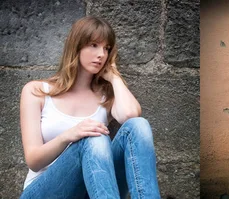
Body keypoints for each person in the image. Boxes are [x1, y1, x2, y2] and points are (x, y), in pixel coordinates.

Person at [19, 16, 160, 198]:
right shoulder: (37, 91)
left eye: (106, 48)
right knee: (93, 137)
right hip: (43, 191)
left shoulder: (105, 97)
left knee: (138, 125)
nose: (101, 54)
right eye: (94, 45)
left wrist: (114, 77)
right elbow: (33, 160)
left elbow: (131, 116)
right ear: (76, 46)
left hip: (92, 191)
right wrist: (69, 135)